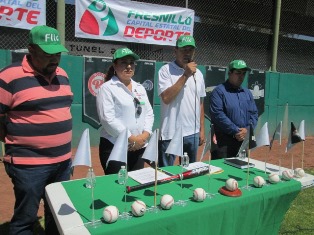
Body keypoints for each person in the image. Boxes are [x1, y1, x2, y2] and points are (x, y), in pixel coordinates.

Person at [0, 25, 72, 234]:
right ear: (31, 50)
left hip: (62, 162)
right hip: (29, 165)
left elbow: (64, 109)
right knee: (25, 219)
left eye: (57, 53)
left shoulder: (63, 74)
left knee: (58, 214)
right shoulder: (9, 77)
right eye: (48, 54)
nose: (54, 59)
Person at [96, 48, 154, 174]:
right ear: (114, 66)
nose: (129, 66)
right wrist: (131, 138)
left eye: (131, 62)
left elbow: (149, 113)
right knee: (117, 187)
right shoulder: (107, 88)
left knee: (135, 185)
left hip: (138, 147)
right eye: (123, 62)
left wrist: (144, 135)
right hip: (114, 148)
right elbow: (107, 119)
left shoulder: (140, 88)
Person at [158, 35, 206, 167]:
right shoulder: (165, 70)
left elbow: (200, 102)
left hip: (192, 132)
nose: (187, 53)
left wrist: (201, 129)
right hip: (170, 132)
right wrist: (185, 75)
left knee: (189, 172)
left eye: (190, 50)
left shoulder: (199, 74)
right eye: (184, 50)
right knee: (166, 175)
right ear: (175, 51)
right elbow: (166, 98)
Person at [209, 59, 258, 159]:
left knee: (242, 171)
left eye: (243, 73)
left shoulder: (247, 93)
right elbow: (218, 115)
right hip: (223, 142)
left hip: (243, 140)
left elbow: (254, 113)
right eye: (238, 73)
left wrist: (247, 129)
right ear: (230, 73)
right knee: (222, 172)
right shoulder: (219, 92)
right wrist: (235, 131)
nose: (241, 76)